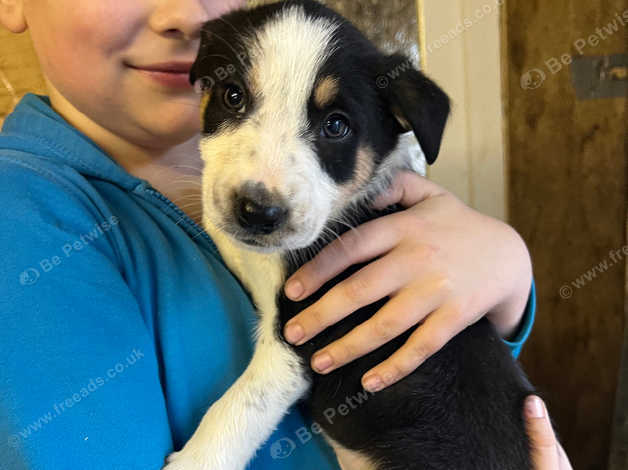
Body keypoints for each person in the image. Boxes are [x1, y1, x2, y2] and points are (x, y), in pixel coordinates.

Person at [0, 0, 561, 468]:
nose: (183, 15)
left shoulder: (385, 219)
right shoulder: (27, 220)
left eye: (334, 125)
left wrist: (508, 281)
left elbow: (435, 359)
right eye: (237, 98)